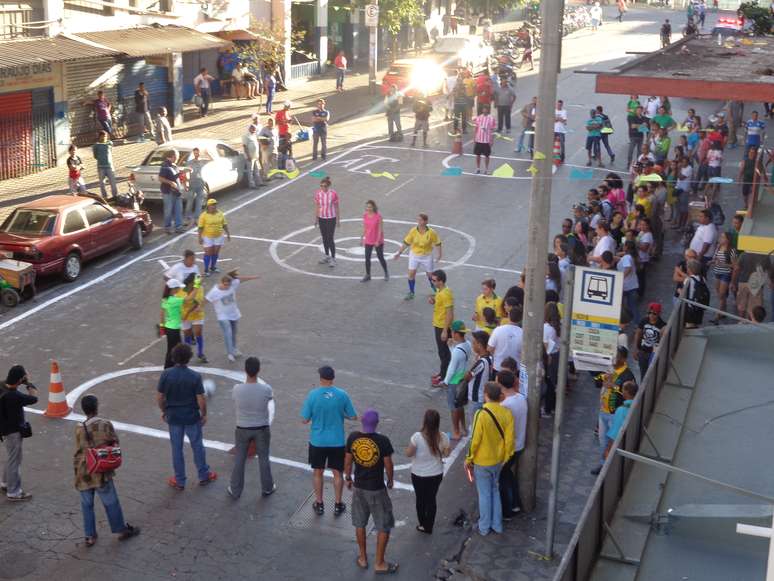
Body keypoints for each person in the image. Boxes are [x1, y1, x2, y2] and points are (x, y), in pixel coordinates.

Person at [74, 395, 140, 546]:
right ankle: (121, 530)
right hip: (100, 469)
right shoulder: (105, 424)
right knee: (110, 501)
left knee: (86, 504)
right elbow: (115, 441)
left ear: (84, 410)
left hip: (83, 471)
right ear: (96, 407)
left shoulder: (79, 428)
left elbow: (79, 448)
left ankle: (90, 536)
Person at [345, 409, 398, 574]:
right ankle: (380, 562)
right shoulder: (382, 441)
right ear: (377, 423)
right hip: (376, 488)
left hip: (359, 487)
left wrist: (348, 477)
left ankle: (362, 558)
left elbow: (347, 460)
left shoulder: (353, 437)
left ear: (362, 420)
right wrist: (390, 480)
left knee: (360, 523)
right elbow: (388, 464)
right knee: (384, 525)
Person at [157, 344, 216, 490]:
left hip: (174, 417)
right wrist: (204, 414)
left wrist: (164, 410)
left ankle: (180, 480)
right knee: (197, 446)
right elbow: (201, 399)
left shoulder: (166, 374)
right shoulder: (194, 376)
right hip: (191, 417)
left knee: (176, 449)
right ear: (189, 358)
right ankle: (204, 475)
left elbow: (159, 397)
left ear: (174, 357)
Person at [301, 366, 358, 517]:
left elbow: (304, 420)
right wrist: (341, 414)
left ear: (321, 378)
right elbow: (353, 416)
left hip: (318, 441)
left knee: (318, 472)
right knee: (337, 473)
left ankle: (319, 504)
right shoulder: (342, 395)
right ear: (333, 378)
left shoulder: (312, 395)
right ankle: (338, 504)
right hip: (337, 441)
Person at [465, 382, 514, 536]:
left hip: (482, 461)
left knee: (484, 494)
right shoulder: (507, 413)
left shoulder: (481, 414)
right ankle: (497, 525)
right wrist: (505, 457)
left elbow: (475, 440)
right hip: (499, 460)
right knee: (495, 491)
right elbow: (510, 440)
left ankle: (484, 526)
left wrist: (469, 458)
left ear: (486, 395)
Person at [227, 357, 276, 500]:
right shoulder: (266, 389)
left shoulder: (237, 389)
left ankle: (235, 490)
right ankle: (267, 487)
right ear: (258, 370)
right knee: (264, 458)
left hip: (242, 428)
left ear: (245, 370)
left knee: (240, 459)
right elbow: (269, 398)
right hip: (261, 428)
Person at [591, 346, 636, 474]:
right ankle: (603, 464)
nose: (613, 358)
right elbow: (596, 382)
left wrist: (614, 387)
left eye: (616, 356)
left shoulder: (628, 374)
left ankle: (610, 467)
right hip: (603, 411)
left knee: (613, 441)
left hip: (615, 413)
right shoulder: (609, 368)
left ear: (623, 358)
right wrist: (600, 377)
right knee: (602, 441)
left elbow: (630, 394)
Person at [406, 409, 450, 534]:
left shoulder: (417, 437)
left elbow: (408, 453)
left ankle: (423, 524)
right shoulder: (443, 437)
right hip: (436, 474)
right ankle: (429, 525)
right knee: (431, 499)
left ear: (425, 421)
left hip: (418, 474)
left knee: (420, 499)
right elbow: (446, 454)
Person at [0, 365, 37, 501]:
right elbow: (33, 398)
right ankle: (14, 492)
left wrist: (22, 379)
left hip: (4, 429)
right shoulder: (14, 396)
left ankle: (5, 483)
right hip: (13, 431)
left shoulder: (2, 386)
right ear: (20, 379)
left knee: (11, 458)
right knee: (15, 460)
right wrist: (28, 383)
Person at [206, 272, 259, 362]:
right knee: (228, 332)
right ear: (221, 282)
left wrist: (253, 277)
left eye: (228, 285)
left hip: (233, 313)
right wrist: (197, 308)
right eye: (225, 285)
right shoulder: (214, 291)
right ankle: (230, 353)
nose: (227, 287)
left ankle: (234, 348)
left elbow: (241, 280)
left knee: (234, 332)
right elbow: (206, 300)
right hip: (222, 316)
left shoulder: (232, 284)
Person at [393, 213, 442, 300]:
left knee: (430, 276)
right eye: (418, 220)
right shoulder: (413, 231)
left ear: (426, 221)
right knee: (411, 274)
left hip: (427, 256)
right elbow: (406, 243)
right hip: (414, 255)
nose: (418, 222)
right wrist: (399, 253)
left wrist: (439, 255)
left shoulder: (431, 233)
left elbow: (437, 243)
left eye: (421, 220)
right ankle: (411, 292)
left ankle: (436, 290)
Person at [498, 370, 526, 517]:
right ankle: (515, 503)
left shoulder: (505, 405)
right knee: (508, 475)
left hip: (509, 447)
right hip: (519, 443)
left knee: (502, 478)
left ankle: (507, 510)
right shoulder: (521, 398)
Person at [441, 321, 472, 440]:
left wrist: (445, 382)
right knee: (460, 405)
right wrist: (451, 347)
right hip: (462, 378)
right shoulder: (467, 344)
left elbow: (452, 367)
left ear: (455, 334)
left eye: (452, 332)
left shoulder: (458, 351)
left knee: (453, 407)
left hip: (454, 381)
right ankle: (463, 428)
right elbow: (458, 357)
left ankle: (456, 431)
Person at [602, 381, 638, 459]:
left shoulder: (621, 410)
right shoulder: (637, 406)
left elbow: (615, 433)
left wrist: (608, 450)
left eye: (623, 389)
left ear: (626, 392)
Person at [709, 231, 737, 323]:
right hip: (717, 273)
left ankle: (717, 315)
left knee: (721, 295)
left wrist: (722, 264)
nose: (721, 238)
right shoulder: (718, 247)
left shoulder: (731, 250)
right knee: (720, 295)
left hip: (726, 274)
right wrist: (712, 262)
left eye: (723, 237)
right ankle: (723, 312)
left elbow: (734, 266)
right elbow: (715, 259)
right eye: (721, 237)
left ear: (728, 240)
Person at [198, 199, 230, 276]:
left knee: (215, 252)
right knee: (208, 253)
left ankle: (212, 267)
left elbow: (224, 224)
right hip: (208, 237)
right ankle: (206, 270)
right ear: (208, 206)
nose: (214, 206)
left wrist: (228, 233)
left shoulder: (220, 213)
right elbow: (200, 227)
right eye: (212, 205)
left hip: (218, 236)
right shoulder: (203, 216)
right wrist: (199, 237)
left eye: (215, 204)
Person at [633, 303, 666, 380]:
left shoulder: (662, 325)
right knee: (643, 374)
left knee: (651, 374)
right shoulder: (644, 320)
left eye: (654, 313)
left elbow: (661, 343)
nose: (651, 315)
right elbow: (638, 333)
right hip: (642, 351)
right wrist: (636, 349)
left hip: (653, 354)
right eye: (649, 313)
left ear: (659, 314)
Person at [487, 305, 524, 373]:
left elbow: (490, 349)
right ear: (521, 318)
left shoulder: (498, 330)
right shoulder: (523, 334)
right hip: (515, 369)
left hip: (498, 367)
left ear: (509, 316)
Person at [314, 177, 340, 267]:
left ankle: (333, 258)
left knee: (330, 238)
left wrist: (338, 220)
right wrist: (316, 218)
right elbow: (317, 206)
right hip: (322, 218)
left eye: (324, 186)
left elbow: (336, 207)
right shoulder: (318, 194)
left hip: (331, 218)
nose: (323, 188)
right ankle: (326, 255)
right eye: (321, 186)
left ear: (328, 186)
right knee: (324, 238)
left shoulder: (333, 194)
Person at [181, 273, 207, 363]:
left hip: (197, 314)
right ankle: (187, 354)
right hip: (185, 316)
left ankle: (200, 354)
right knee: (187, 335)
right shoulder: (182, 290)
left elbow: (200, 301)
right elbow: (186, 300)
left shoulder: (200, 288)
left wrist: (200, 307)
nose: (200, 282)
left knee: (198, 333)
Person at [361, 199, 389, 282]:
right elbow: (365, 227)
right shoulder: (365, 216)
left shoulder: (378, 216)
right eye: (367, 207)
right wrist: (362, 236)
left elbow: (380, 229)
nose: (368, 208)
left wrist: (377, 240)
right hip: (368, 239)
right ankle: (368, 275)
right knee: (367, 258)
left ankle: (386, 272)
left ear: (373, 207)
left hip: (377, 240)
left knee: (380, 257)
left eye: (370, 207)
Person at [160, 278, 185, 369]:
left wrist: (162, 327)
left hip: (168, 327)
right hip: (174, 329)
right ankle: (169, 368)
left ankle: (169, 367)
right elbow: (189, 299)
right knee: (174, 349)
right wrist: (196, 286)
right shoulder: (176, 301)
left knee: (171, 348)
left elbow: (162, 313)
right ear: (173, 289)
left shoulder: (165, 299)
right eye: (178, 288)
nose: (179, 289)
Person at [465, 331, 492, 413]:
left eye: (474, 343)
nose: (473, 346)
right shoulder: (490, 357)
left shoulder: (481, 362)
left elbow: (467, 377)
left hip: (476, 399)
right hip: (482, 397)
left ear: (480, 345)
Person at [157, 149, 183, 235]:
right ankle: (167, 227)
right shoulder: (165, 166)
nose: (178, 157)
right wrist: (170, 183)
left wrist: (183, 172)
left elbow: (174, 177)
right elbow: (160, 178)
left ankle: (178, 227)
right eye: (176, 155)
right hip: (168, 192)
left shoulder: (174, 165)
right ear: (171, 156)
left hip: (176, 191)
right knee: (168, 210)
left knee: (178, 209)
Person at [542, 302, 561, 417]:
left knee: (548, 382)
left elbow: (545, 346)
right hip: (556, 355)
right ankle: (552, 406)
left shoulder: (547, 328)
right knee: (553, 382)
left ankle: (547, 408)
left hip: (548, 357)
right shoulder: (558, 325)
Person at [92, 131, 117, 199]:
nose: (104, 138)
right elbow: (95, 156)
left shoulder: (109, 143)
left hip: (109, 166)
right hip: (101, 167)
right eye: (102, 136)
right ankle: (105, 196)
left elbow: (110, 151)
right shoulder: (96, 145)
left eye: (105, 136)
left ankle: (115, 196)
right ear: (99, 137)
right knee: (102, 184)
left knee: (113, 183)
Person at [185, 147, 207, 223]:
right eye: (194, 153)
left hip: (201, 184)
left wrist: (207, 153)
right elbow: (186, 173)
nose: (196, 154)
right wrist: (186, 184)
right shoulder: (189, 162)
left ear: (200, 153)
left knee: (199, 203)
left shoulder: (203, 161)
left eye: (197, 153)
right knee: (189, 202)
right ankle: (188, 218)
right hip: (192, 184)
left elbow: (212, 161)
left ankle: (197, 218)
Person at [473, 104, 496, 175]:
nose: (484, 110)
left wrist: (491, 140)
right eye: (483, 109)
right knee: (478, 155)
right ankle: (478, 168)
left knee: (487, 155)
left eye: (486, 109)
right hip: (479, 139)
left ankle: (486, 169)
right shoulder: (479, 118)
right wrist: (474, 137)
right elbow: (476, 128)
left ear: (488, 110)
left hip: (486, 140)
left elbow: (492, 130)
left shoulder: (491, 119)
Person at [242, 124, 261, 189]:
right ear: (249, 129)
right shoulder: (246, 136)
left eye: (255, 129)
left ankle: (258, 182)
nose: (254, 130)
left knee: (257, 170)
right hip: (250, 156)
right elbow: (245, 146)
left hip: (255, 156)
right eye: (253, 129)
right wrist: (248, 155)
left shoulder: (254, 135)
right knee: (250, 171)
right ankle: (252, 184)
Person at [258, 117, 276, 183]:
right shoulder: (264, 129)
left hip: (273, 148)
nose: (271, 124)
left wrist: (277, 146)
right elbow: (259, 138)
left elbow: (276, 138)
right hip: (266, 149)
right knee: (266, 163)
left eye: (272, 123)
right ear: (268, 123)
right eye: (270, 123)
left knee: (274, 162)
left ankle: (275, 174)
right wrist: (262, 145)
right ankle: (266, 176)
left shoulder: (275, 129)